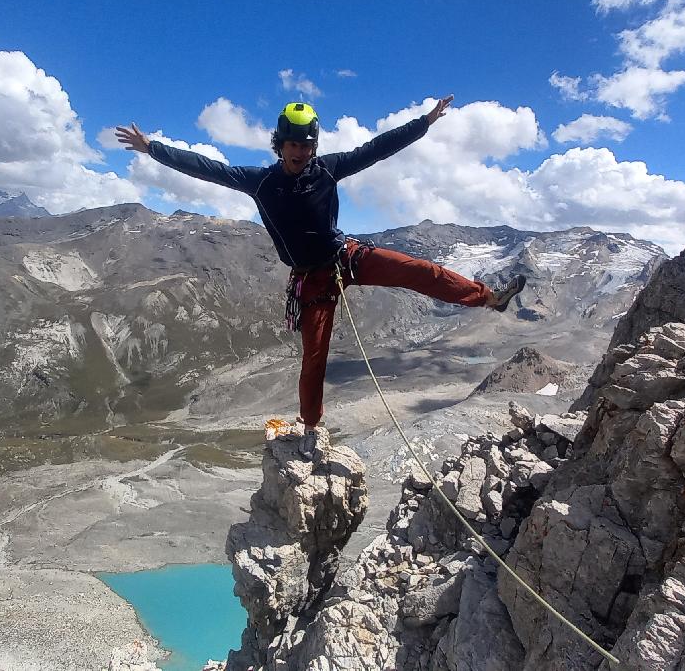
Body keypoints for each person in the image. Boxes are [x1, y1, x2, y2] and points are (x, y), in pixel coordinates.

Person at [114, 97, 526, 459]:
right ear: (280, 145)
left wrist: (424, 122)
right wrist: (153, 149)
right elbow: (207, 168)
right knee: (314, 360)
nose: (300, 151)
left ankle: (489, 298)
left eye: (307, 145)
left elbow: (377, 149)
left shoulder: (328, 170)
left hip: (345, 257)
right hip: (312, 280)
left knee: (418, 271)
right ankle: (311, 427)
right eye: (293, 144)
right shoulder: (261, 183)